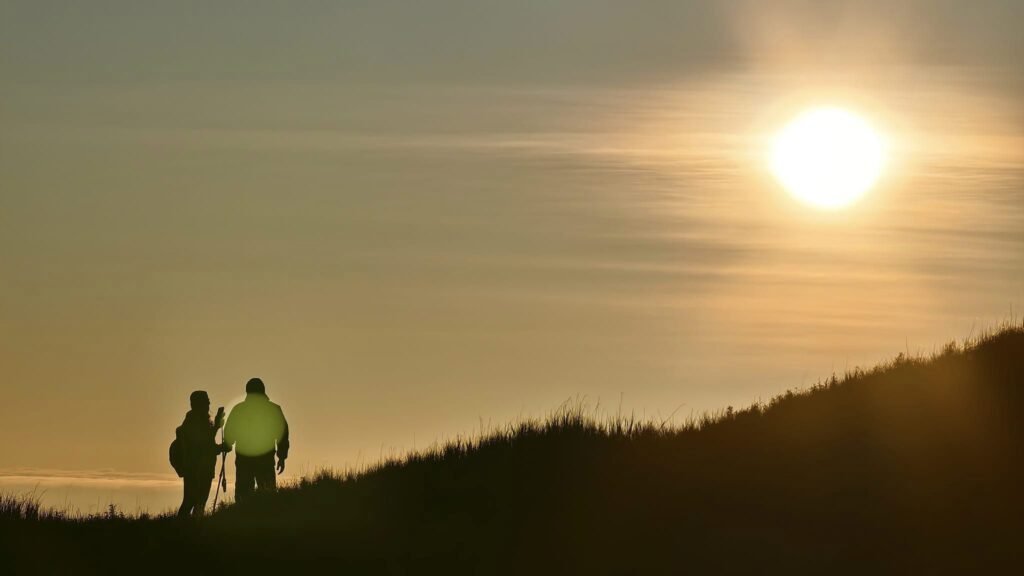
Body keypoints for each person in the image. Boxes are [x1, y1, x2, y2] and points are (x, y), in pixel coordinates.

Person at [224, 377, 290, 502]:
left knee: (243, 495)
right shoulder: (273, 409)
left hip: (244, 460)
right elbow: (282, 434)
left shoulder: (238, 409)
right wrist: (282, 456)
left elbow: (230, 433)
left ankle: (243, 514)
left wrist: (227, 445)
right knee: (267, 495)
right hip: (265, 460)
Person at [176, 390, 231, 518]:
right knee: (193, 501)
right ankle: (186, 525)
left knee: (194, 501)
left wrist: (216, 426)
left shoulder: (196, 421)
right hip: (197, 469)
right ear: (198, 404)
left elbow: (206, 442)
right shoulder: (195, 422)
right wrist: (221, 447)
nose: (208, 404)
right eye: (206, 402)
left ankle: (188, 525)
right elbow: (203, 447)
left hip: (199, 468)